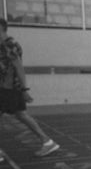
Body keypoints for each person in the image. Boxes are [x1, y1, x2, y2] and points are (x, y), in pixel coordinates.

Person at [0, 18, 60, 158]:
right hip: (7, 88)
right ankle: (47, 142)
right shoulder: (3, 45)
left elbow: (19, 67)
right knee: (21, 115)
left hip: (9, 89)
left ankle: (47, 142)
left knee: (21, 115)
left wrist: (25, 89)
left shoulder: (9, 44)